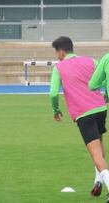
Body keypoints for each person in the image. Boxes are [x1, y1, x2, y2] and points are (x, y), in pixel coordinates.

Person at [49, 36, 109, 201]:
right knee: (100, 146)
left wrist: (56, 110)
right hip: (100, 108)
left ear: (61, 51)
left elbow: (53, 93)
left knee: (95, 153)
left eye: (56, 52)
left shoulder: (59, 68)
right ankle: (98, 182)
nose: (56, 56)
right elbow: (103, 77)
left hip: (84, 113)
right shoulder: (91, 61)